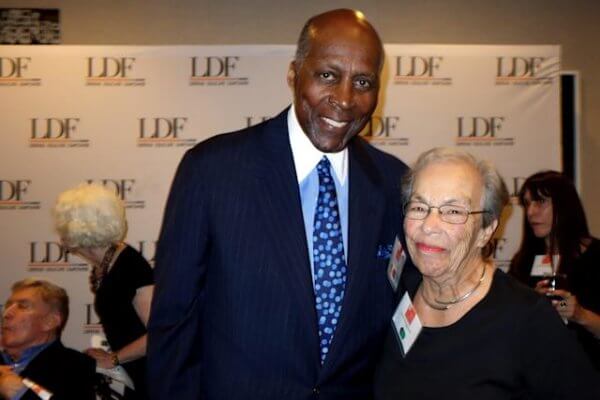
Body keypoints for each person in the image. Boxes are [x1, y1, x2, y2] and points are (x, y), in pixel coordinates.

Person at [147, 8, 409, 400]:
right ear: (293, 75)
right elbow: (174, 323)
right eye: (327, 75)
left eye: (363, 82)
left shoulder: (393, 183)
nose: (344, 99)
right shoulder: (213, 170)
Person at [374, 148, 600, 399]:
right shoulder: (398, 289)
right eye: (418, 207)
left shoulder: (527, 317)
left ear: (486, 230)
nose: (429, 225)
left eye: (453, 211)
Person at [53, 183, 153, 399]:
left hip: (154, 377)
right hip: (137, 374)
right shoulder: (107, 264)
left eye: (63, 226)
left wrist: (114, 358)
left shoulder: (130, 266)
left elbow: (159, 333)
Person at [510, 170, 600, 369]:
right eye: (527, 203)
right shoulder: (523, 261)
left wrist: (580, 315)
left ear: (564, 205)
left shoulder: (595, 257)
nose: (531, 212)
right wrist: (530, 304)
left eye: (540, 202)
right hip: (536, 376)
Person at [0, 278, 96, 400]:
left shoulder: (75, 367)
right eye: (8, 306)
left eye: (22, 306)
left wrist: (21, 393)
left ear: (50, 322)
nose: (6, 314)